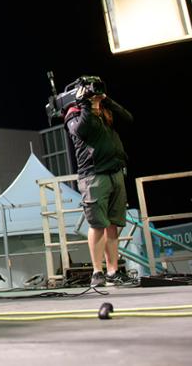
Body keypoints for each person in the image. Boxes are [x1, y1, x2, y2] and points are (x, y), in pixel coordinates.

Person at [64, 76, 136, 287]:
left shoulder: (105, 110)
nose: (95, 92)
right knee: (97, 224)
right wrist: (86, 104)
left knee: (113, 224)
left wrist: (107, 101)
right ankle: (97, 271)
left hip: (115, 172)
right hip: (94, 175)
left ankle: (113, 270)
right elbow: (81, 131)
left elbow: (128, 119)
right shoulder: (74, 112)